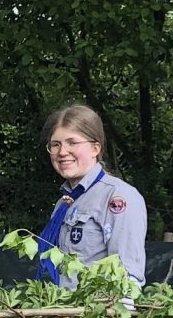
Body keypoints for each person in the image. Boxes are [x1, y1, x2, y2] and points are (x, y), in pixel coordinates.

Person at [36, 102, 148, 289]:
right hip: (57, 311)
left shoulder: (118, 196)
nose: (62, 152)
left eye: (72, 143)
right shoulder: (64, 202)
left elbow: (128, 274)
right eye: (55, 145)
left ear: (95, 149)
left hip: (93, 313)